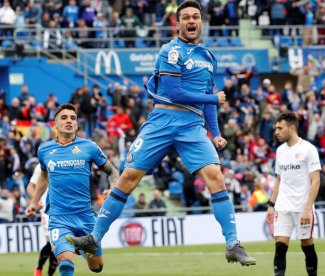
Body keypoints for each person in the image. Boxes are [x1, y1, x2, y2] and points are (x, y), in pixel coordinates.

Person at [66, 0, 256, 266]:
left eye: (196, 17)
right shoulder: (171, 51)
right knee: (128, 178)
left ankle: (232, 243)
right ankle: (94, 238)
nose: (191, 21)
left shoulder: (208, 57)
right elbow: (177, 92)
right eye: (186, 17)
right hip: (163, 120)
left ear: (202, 22)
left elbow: (204, 100)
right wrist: (213, 98)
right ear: (178, 24)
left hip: (192, 125)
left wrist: (215, 132)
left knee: (216, 177)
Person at [26, 103, 120, 276]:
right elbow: (44, 176)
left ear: (76, 125)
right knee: (65, 261)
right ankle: (70, 249)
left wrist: (112, 187)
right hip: (59, 217)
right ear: (54, 124)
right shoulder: (44, 150)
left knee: (96, 267)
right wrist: (33, 202)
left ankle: (83, 246)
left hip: (85, 216)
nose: (69, 121)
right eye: (64, 117)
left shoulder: (89, 147)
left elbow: (112, 171)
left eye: (72, 118)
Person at [266, 111, 321, 276]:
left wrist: (307, 208)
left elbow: (315, 180)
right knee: (280, 246)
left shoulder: (308, 149)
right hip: (283, 206)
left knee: (306, 244)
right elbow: (279, 180)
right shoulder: (280, 151)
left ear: (292, 128)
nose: (276, 132)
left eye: (280, 128)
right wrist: (271, 205)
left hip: (302, 207)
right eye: (276, 128)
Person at [27, 162, 58, 276]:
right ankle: (39, 268)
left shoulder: (68, 160)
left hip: (63, 210)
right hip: (47, 210)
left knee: (58, 245)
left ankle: (50, 274)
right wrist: (36, 200)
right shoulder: (43, 164)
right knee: (51, 243)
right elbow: (30, 186)